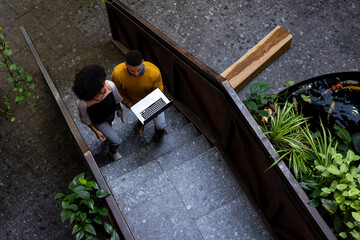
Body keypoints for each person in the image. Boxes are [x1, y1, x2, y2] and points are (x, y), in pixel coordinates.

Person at [111, 50, 168, 138]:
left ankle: (159, 130)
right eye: (132, 71)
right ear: (126, 65)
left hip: (152, 100)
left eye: (139, 70)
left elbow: (158, 89)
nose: (136, 74)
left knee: (160, 124)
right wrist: (127, 102)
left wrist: (152, 105)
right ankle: (141, 122)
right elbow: (117, 90)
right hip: (134, 102)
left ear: (142, 62)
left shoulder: (154, 71)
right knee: (141, 116)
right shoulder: (117, 73)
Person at [72, 65, 123, 160]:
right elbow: (86, 120)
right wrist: (96, 131)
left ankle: (109, 139)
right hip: (99, 122)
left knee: (110, 129)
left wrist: (120, 109)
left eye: (103, 84)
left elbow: (117, 99)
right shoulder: (83, 104)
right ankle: (113, 152)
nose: (104, 89)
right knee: (116, 141)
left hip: (110, 114)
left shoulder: (110, 85)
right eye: (99, 91)